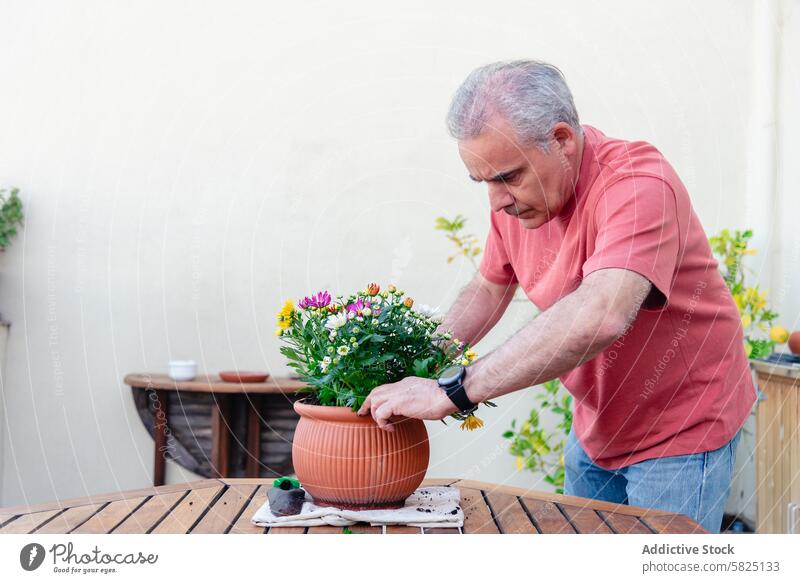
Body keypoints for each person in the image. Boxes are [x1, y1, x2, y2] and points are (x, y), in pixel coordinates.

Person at [357, 60, 754, 533]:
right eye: (481, 181)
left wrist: (453, 390)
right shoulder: (517, 201)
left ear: (562, 140)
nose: (496, 201)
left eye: (507, 177)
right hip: (595, 424)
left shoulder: (638, 183)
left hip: (681, 427)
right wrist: (406, 366)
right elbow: (488, 287)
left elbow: (601, 313)